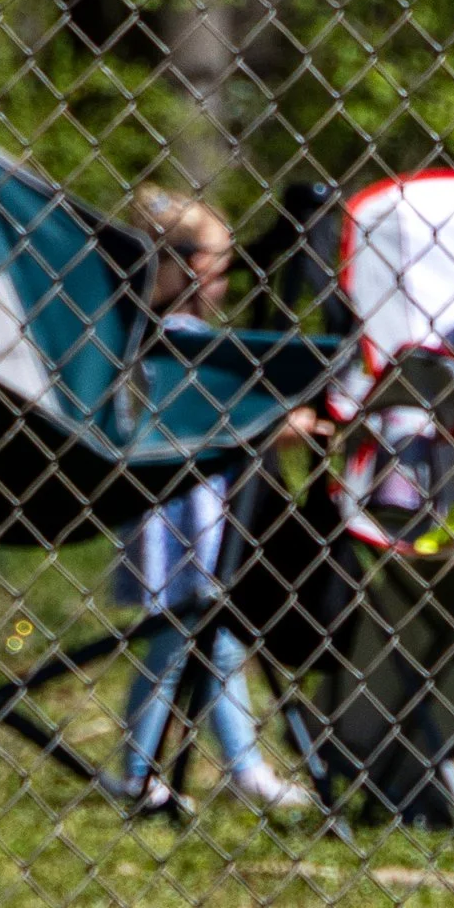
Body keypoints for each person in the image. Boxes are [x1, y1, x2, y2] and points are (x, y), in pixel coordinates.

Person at [110, 190, 313, 817]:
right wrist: (274, 421)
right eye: (221, 260)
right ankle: (137, 772)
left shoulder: (164, 330)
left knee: (216, 640)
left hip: (198, 505)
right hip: (176, 514)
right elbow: (203, 414)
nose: (228, 274)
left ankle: (243, 766)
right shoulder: (171, 336)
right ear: (185, 265)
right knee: (177, 643)